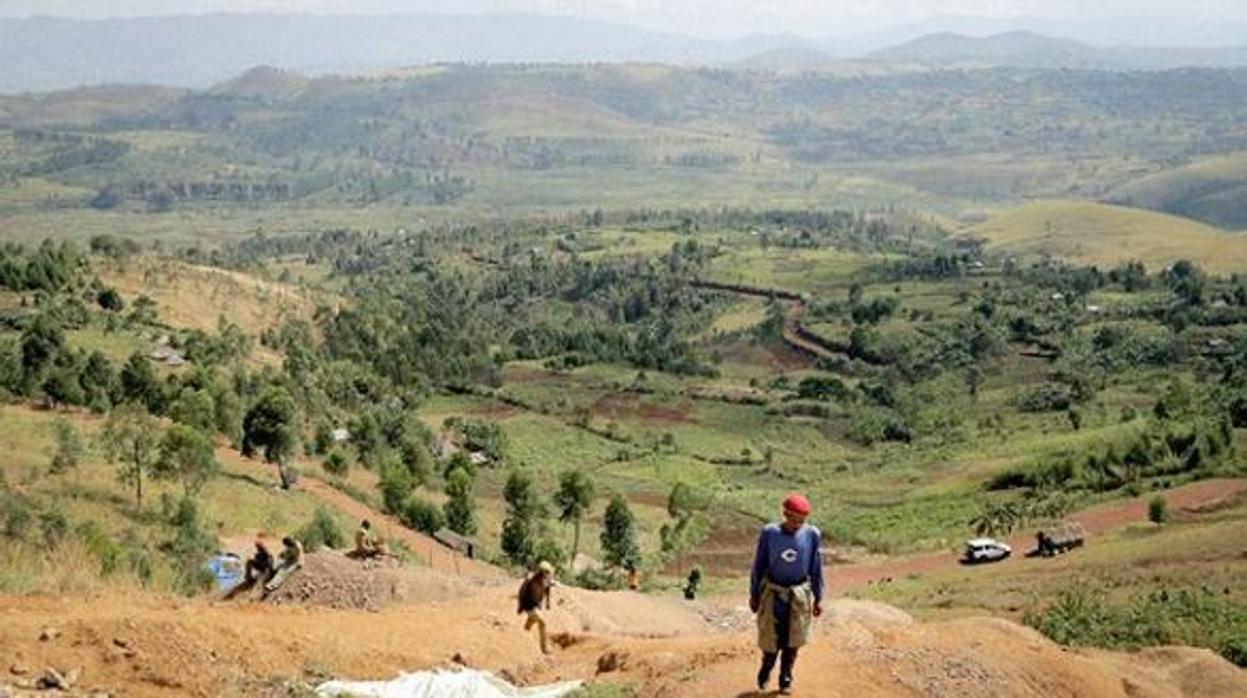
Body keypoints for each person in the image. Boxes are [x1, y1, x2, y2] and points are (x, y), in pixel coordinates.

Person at [749, 493, 824, 696]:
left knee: (793, 641)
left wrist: (819, 597)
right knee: (771, 640)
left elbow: (816, 568)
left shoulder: (812, 535)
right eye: (793, 519)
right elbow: (759, 566)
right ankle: (765, 671)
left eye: (801, 521)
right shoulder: (770, 533)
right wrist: (754, 594)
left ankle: (786, 679)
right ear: (785, 514)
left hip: (799, 595)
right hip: (773, 594)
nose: (797, 524)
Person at [517, 560, 555, 654]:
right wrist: (520, 606)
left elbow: (547, 589)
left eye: (548, 573)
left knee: (531, 621)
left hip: (537, 605)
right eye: (545, 572)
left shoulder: (545, 580)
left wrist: (548, 602)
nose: (547, 575)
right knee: (543, 623)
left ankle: (521, 638)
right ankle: (544, 648)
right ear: (540, 572)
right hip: (529, 605)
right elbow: (522, 592)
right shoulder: (531, 580)